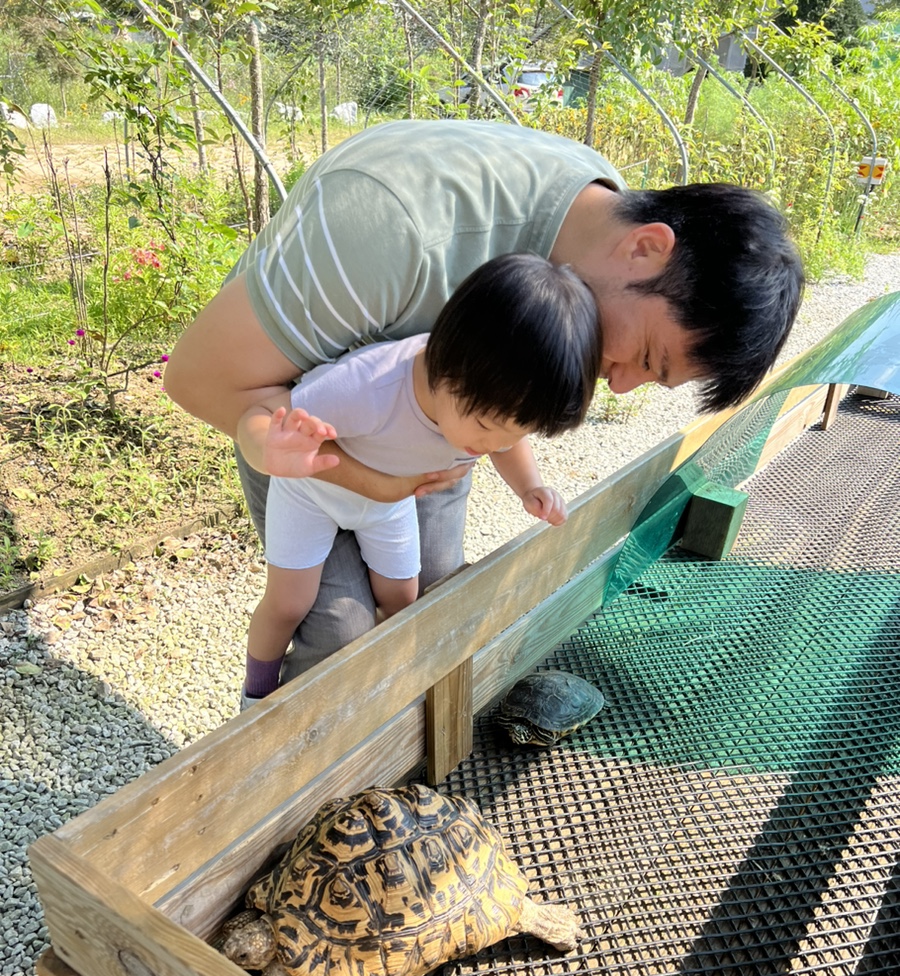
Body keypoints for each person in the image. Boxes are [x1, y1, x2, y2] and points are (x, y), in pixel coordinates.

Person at [164, 119, 804, 685]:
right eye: (647, 358)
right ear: (645, 248)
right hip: (306, 430)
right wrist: (376, 483)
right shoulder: (396, 231)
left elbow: (486, 427)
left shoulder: (597, 223)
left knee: (438, 594)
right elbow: (204, 383)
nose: (620, 385)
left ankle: (411, 746)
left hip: (440, 429)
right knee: (339, 635)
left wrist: (458, 474)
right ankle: (295, 790)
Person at [239, 253, 600, 706]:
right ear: (449, 368)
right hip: (312, 494)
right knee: (289, 604)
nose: (492, 446)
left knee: (403, 596)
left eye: (517, 430)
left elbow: (507, 442)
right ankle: (254, 697)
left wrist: (530, 486)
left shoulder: (489, 404)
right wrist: (280, 439)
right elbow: (265, 419)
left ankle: (387, 688)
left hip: (390, 501)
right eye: (487, 426)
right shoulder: (366, 387)